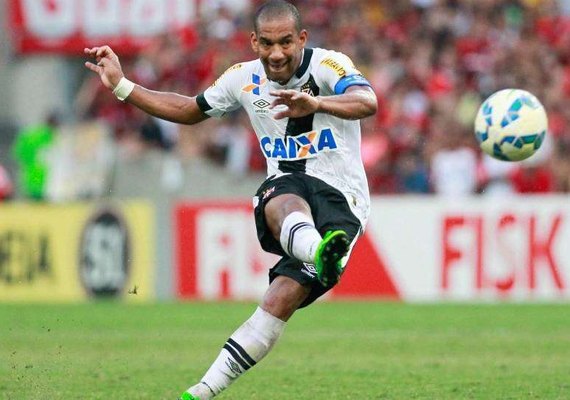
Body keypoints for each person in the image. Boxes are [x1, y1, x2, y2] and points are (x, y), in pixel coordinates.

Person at [84, 1, 377, 398]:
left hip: (344, 199)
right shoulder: (242, 77)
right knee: (283, 200)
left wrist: (318, 103)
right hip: (290, 187)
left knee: (281, 299)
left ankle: (319, 251)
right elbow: (189, 110)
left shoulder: (330, 65)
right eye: (268, 43)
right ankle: (200, 392)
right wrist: (122, 85)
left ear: (302, 38)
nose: (277, 53)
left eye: (286, 43)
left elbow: (368, 101)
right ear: (254, 42)